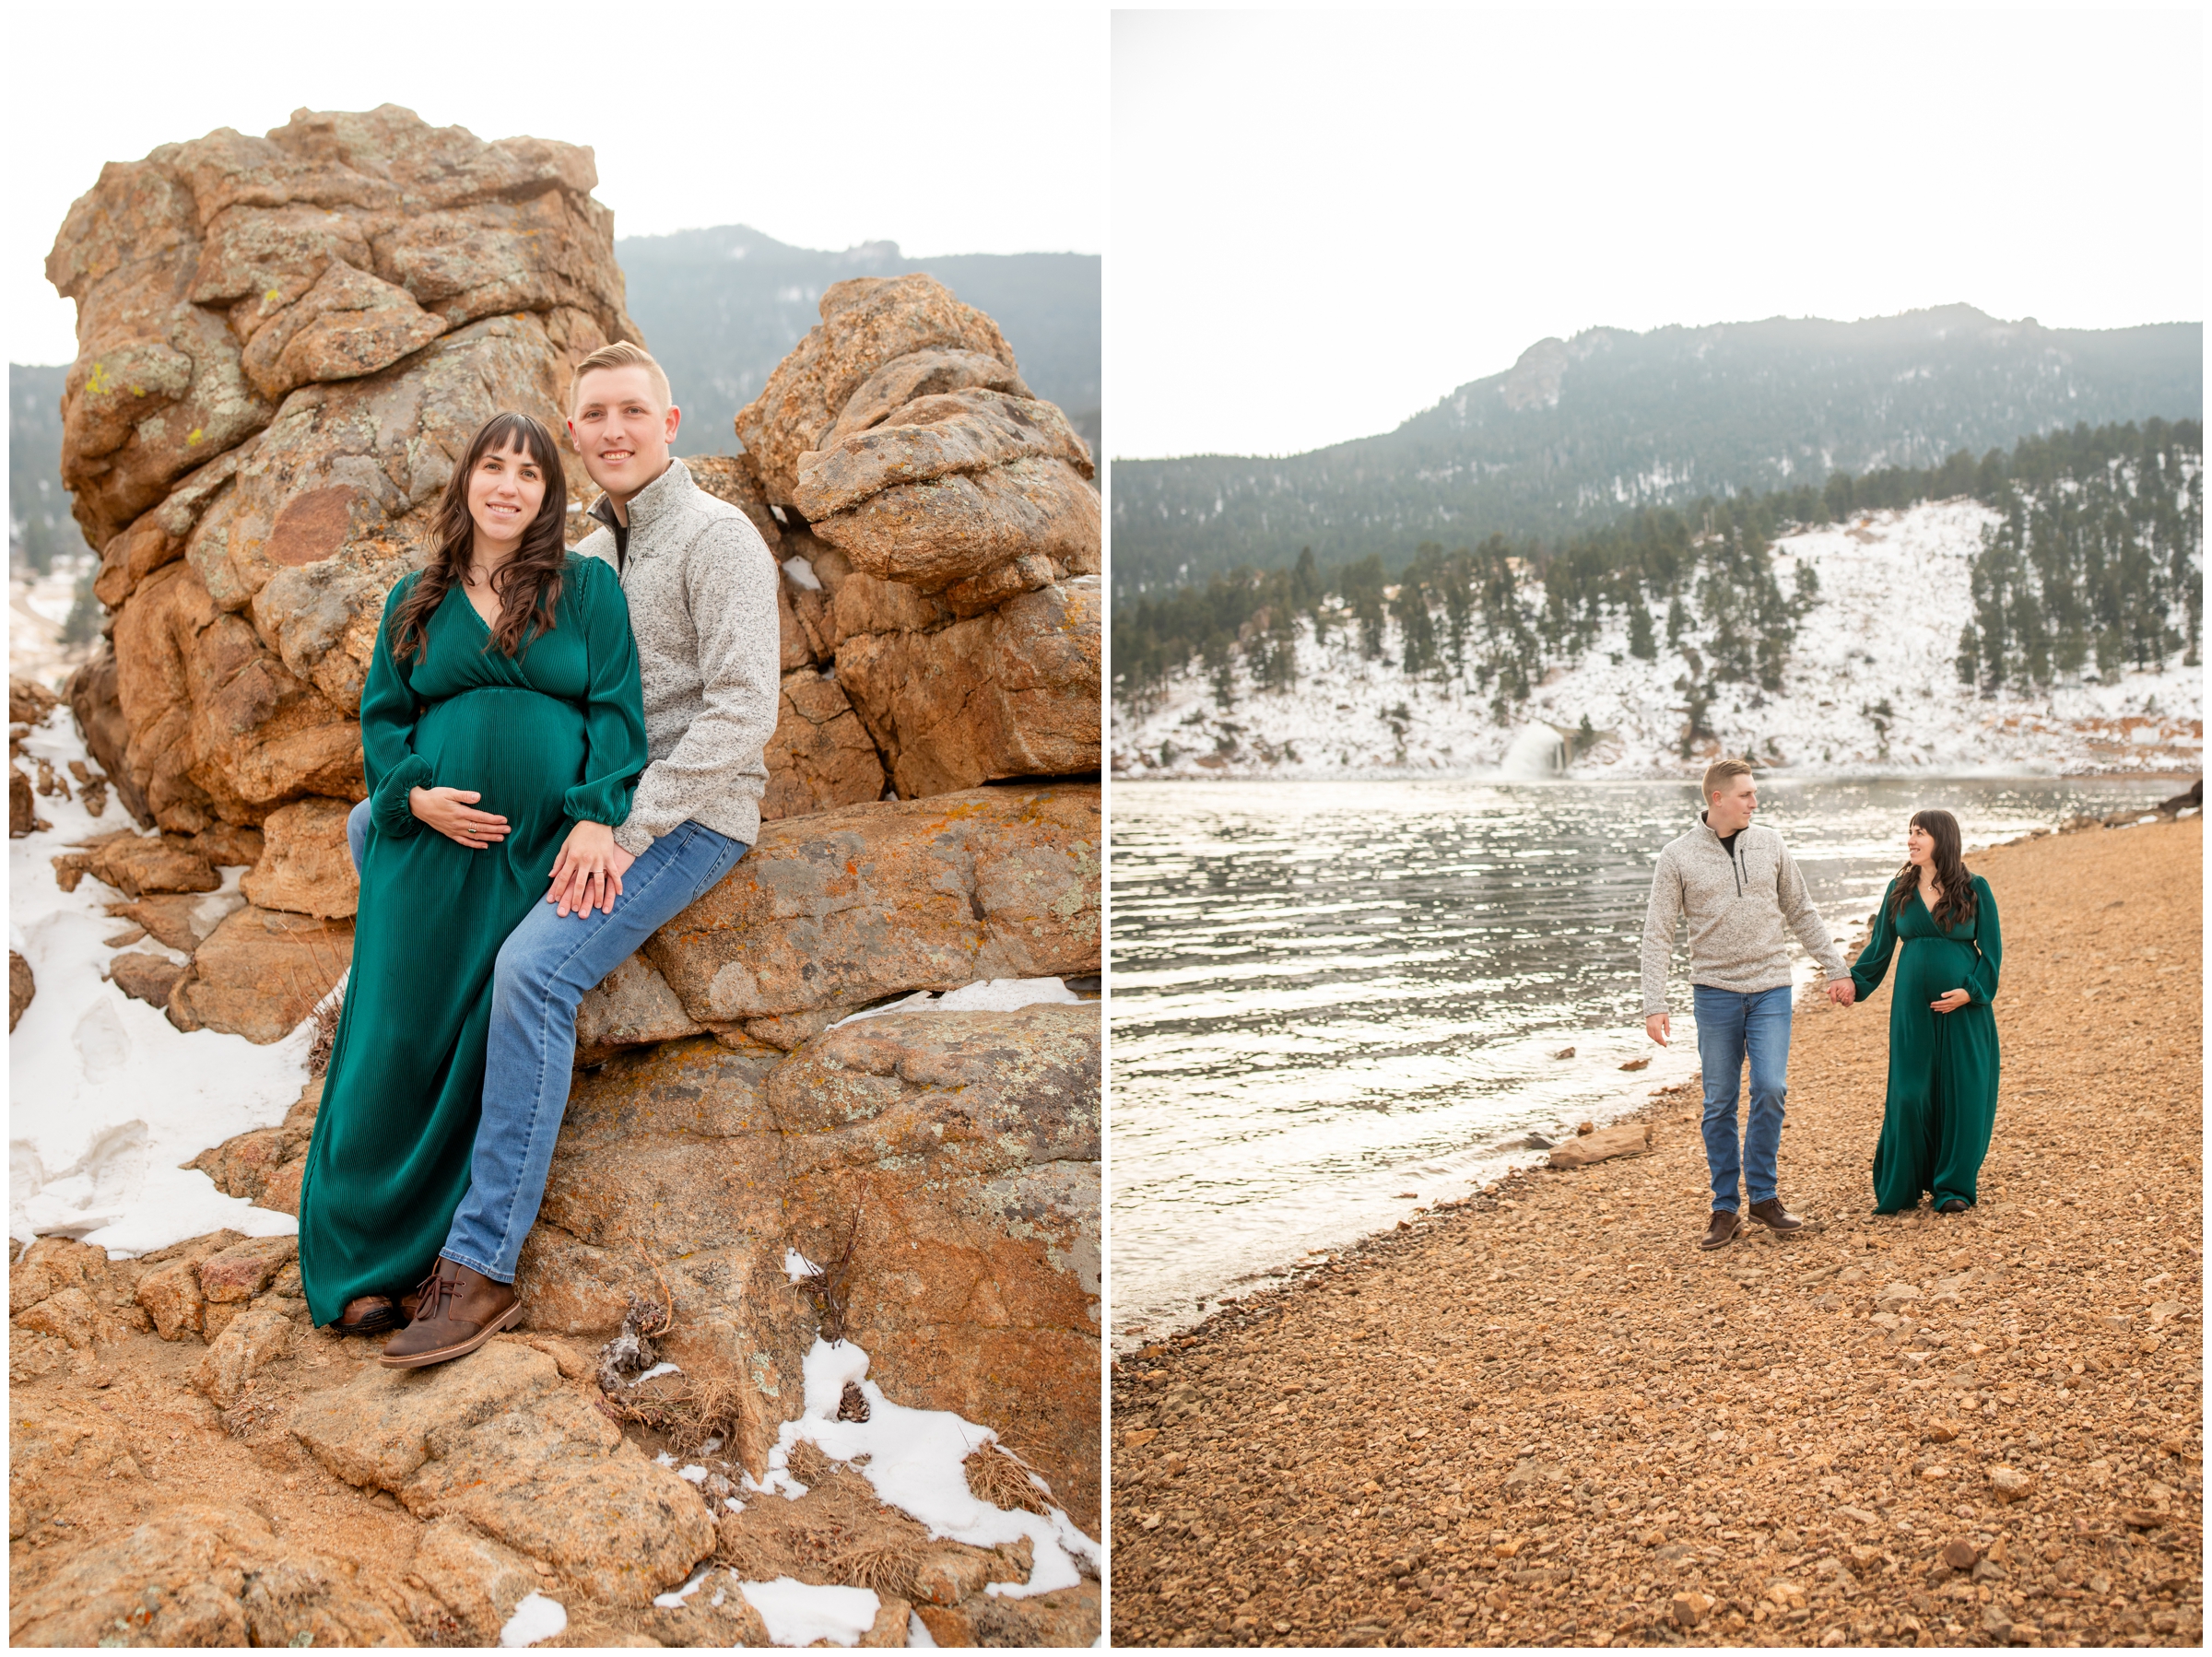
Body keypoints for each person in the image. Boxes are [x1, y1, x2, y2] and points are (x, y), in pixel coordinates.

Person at [342, 342, 781, 1369]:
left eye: (636, 410)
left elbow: (743, 714)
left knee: (533, 972)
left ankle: (481, 1261)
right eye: (597, 414)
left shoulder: (719, 541)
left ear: (669, 424)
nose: (616, 429)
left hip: (684, 818)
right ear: (575, 435)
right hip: (581, 810)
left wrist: (621, 826)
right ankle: (400, 1156)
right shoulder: (581, 549)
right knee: (372, 830)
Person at [299, 411, 648, 1339]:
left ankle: (425, 1265)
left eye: (527, 474)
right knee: (391, 1039)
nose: (507, 485)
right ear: (466, 483)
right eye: (492, 467)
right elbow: (383, 722)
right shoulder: (414, 598)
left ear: (548, 495)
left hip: (532, 855)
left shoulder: (587, 590)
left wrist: (593, 814)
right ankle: (352, 1268)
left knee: (470, 1045)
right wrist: (412, 797)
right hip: (425, 852)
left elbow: (617, 715)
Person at [1641, 758, 1856, 1250]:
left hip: (1771, 988)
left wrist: (1835, 966)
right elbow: (1658, 935)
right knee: (1718, 1102)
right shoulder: (1676, 857)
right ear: (1717, 798)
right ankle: (1725, 1208)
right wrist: (1655, 1003)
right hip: (1714, 992)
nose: (1755, 803)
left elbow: (1800, 909)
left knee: (1770, 1086)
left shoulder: (1771, 843)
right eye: (1745, 795)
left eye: (1755, 794)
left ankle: (1763, 1196)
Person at [1844, 809, 2002, 1215]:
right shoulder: (1899, 888)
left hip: (1965, 1012)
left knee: (1962, 1092)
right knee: (1910, 1093)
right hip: (1912, 1009)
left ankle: (1953, 1186)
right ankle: (1905, 1183)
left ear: (1942, 839)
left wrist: (1971, 993)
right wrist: (1851, 983)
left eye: (1920, 833)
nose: (1911, 840)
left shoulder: (1974, 888)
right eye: (1910, 833)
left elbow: (1992, 953)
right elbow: (1879, 949)